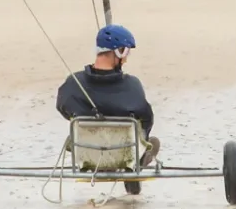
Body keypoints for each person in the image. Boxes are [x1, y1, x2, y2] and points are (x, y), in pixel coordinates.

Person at [56, 24, 159, 166]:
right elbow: (147, 117)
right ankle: (137, 160)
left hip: (86, 155)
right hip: (124, 154)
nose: (126, 59)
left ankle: (133, 158)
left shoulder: (73, 83)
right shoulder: (132, 86)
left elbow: (62, 108)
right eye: (126, 53)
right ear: (119, 51)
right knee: (141, 126)